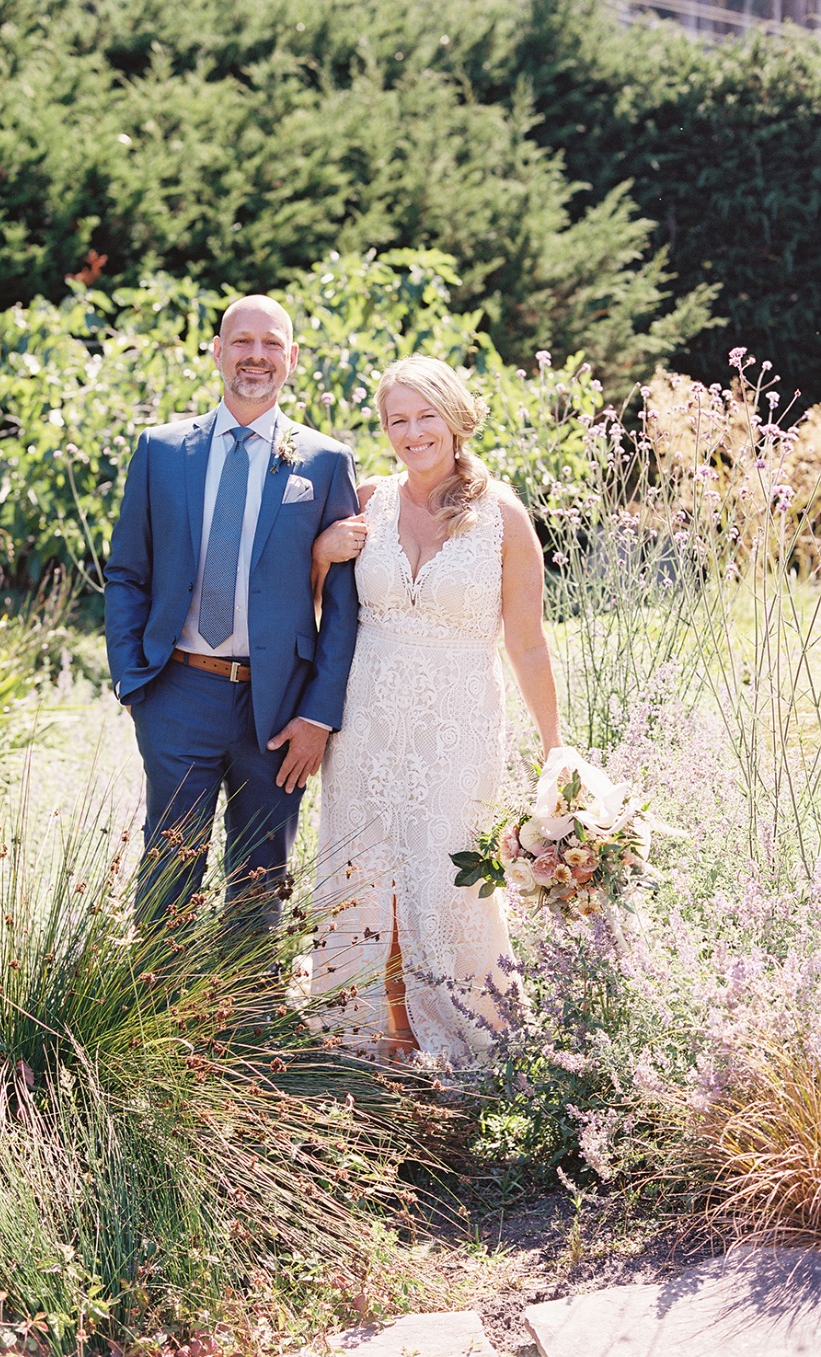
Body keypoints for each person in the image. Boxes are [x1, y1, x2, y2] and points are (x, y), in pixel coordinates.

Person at [309, 355, 560, 1062]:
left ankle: (473, 1044)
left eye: (426, 416)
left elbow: (529, 643)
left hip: (457, 727)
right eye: (398, 419)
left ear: (455, 420)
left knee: (451, 882)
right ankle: (382, 1043)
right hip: (366, 725)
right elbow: (311, 606)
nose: (413, 432)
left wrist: (556, 747)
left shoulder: (502, 515)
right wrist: (323, 553)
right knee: (366, 877)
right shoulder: (368, 499)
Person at [105, 294, 359, 934]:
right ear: (217, 352)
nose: (256, 356)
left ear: (292, 359)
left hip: (278, 706)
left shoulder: (325, 462)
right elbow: (128, 573)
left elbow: (346, 605)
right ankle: (154, 1017)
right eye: (242, 342)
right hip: (178, 690)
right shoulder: (163, 451)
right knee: (168, 869)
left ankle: (246, 1025)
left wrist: (318, 716)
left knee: (260, 877)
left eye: (272, 344)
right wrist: (134, 682)